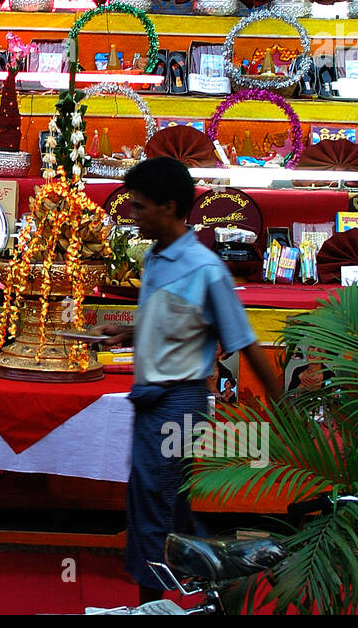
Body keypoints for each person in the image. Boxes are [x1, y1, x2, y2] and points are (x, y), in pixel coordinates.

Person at [91, 156, 281, 605]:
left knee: (152, 509)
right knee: (168, 507)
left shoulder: (206, 270)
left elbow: (246, 342)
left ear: (170, 207)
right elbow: (169, 322)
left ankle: (150, 606)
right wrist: (129, 331)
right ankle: (227, 585)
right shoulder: (156, 257)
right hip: (151, 400)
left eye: (139, 207)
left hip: (179, 404)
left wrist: (283, 409)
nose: (131, 215)